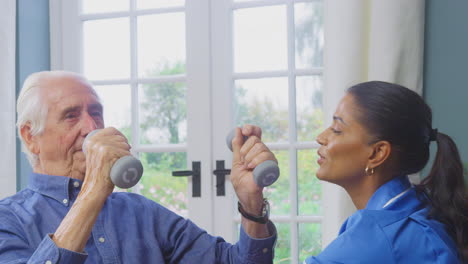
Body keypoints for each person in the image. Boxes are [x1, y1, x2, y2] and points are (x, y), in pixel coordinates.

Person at [0, 71, 278, 263]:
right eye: (70, 116)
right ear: (30, 137)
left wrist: (251, 204)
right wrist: (94, 190)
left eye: (96, 113)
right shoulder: (8, 220)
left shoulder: (141, 212)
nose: (92, 127)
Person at [304, 81, 468, 263]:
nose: (321, 138)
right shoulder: (423, 206)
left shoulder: (375, 237)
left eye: (337, 130)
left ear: (377, 153)